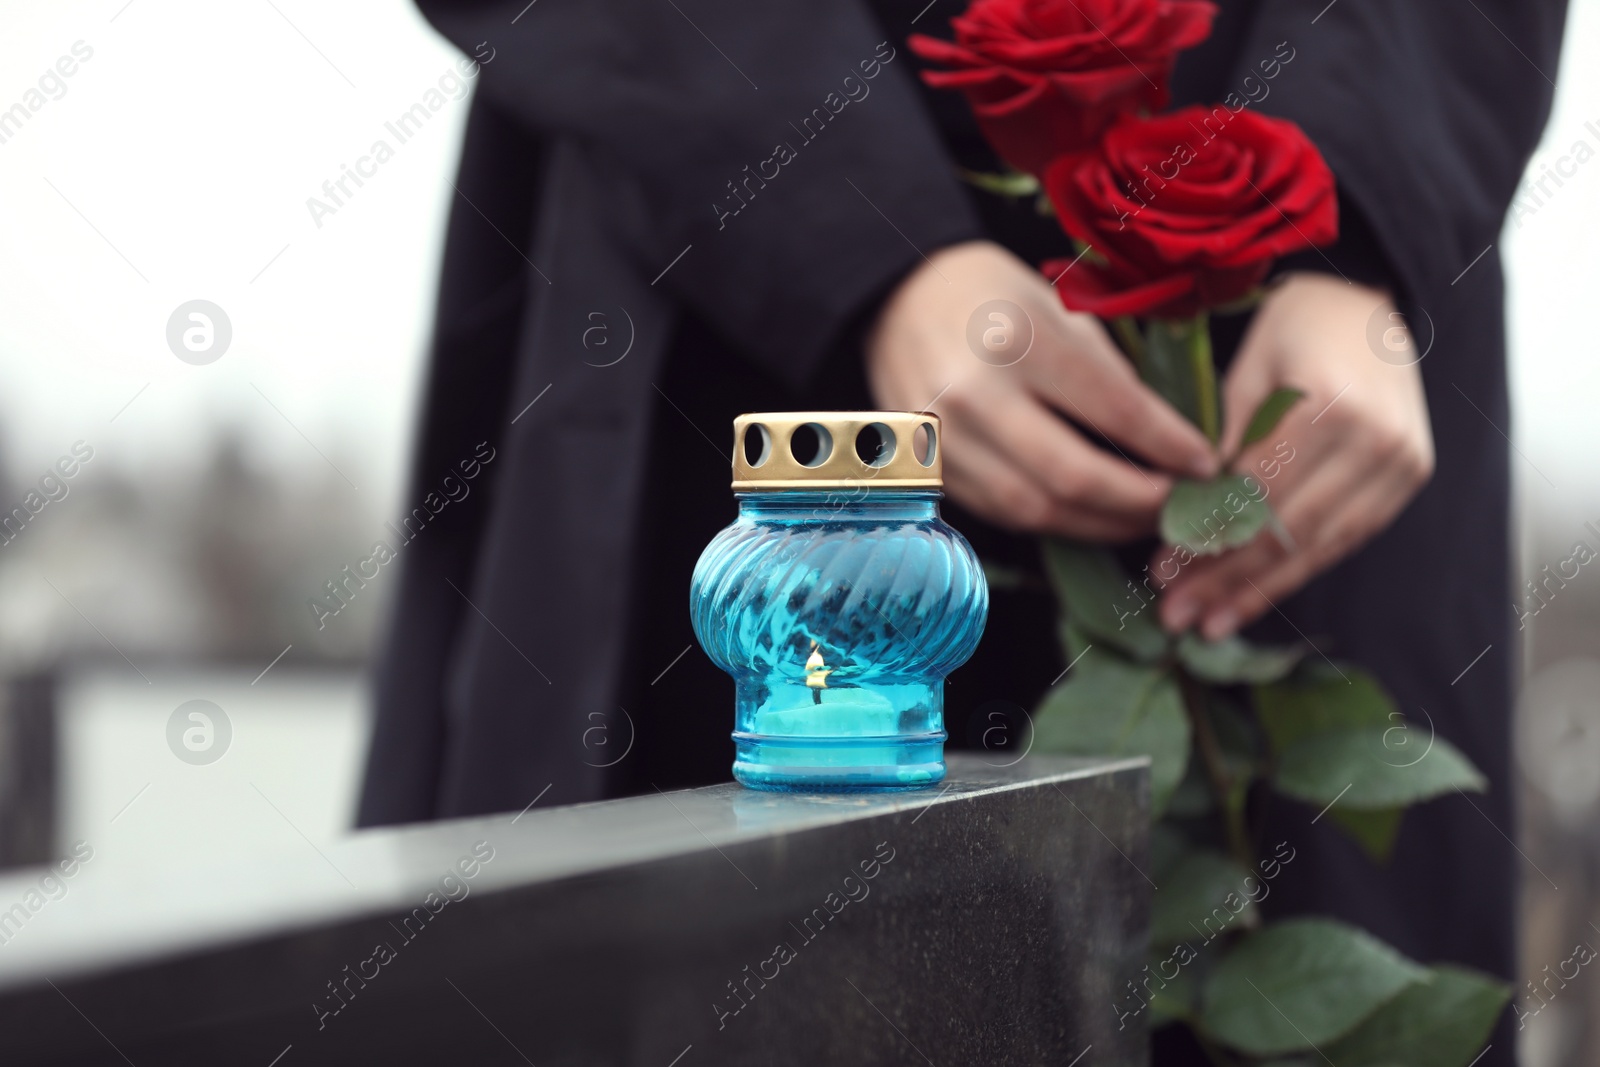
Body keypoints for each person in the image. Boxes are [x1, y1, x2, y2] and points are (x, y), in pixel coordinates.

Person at [358, 2, 1566, 1062]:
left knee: (1322, 950)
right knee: (703, 953)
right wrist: (852, 223)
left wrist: (1360, 213)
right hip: (704, 285)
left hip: (1301, 368)